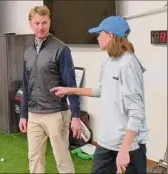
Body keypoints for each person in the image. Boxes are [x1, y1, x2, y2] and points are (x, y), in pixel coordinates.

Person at [50, 16, 149, 174]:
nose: (97, 37)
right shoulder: (108, 62)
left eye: (100, 33)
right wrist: (70, 90)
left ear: (110, 35)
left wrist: (124, 150)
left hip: (129, 145)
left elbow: (136, 111)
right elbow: (102, 91)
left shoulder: (129, 64)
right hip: (106, 142)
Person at [18, 5, 82, 173]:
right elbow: (26, 85)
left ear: (49, 22)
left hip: (56, 114)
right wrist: (24, 114)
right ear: (31, 24)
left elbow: (71, 84)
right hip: (33, 115)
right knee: (34, 159)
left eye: (44, 22)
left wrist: (76, 116)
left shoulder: (61, 49)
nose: (41, 27)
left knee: (62, 160)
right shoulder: (28, 52)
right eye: (37, 23)